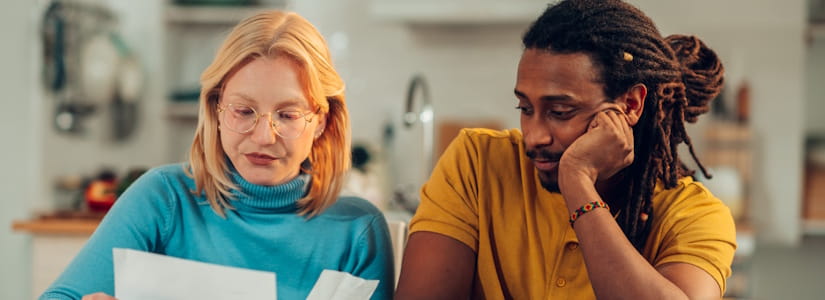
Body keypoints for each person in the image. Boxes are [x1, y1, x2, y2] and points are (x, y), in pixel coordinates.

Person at [41, 10, 394, 300]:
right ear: (216, 110)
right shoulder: (163, 199)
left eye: (287, 115)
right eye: (243, 111)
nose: (262, 136)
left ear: (321, 121)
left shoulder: (358, 232)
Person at [395, 0, 736, 299]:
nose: (534, 137)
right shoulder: (477, 162)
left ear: (630, 105)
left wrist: (577, 183)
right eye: (525, 109)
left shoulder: (695, 217)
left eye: (560, 112)